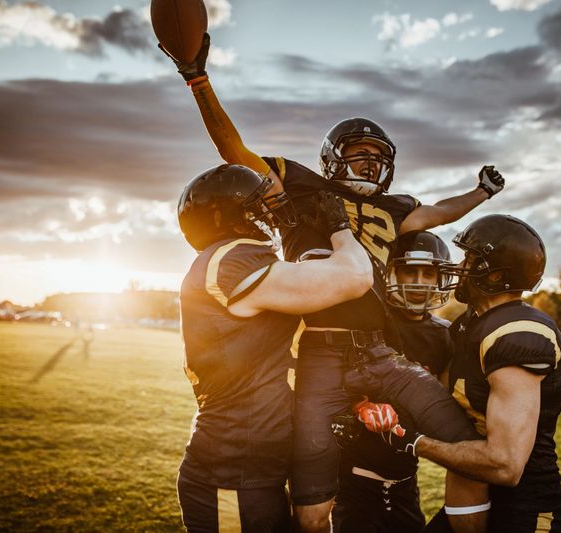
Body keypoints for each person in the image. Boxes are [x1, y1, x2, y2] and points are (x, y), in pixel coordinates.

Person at [164, 34, 503, 531]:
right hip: (319, 352)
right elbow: (235, 151)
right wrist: (199, 81)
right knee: (312, 508)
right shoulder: (302, 190)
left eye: (377, 157)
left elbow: (436, 212)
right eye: (358, 153)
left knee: (471, 450)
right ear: (331, 156)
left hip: (380, 350)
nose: (369, 164)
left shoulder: (394, 209)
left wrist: (479, 193)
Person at [175, 164, 376, 532]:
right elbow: (357, 277)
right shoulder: (230, 259)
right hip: (232, 472)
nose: (272, 212)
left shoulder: (230, 260)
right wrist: (340, 230)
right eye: (260, 205)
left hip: (251, 466)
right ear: (233, 217)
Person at [382, 215, 561, 533]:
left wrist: (413, 442)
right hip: (474, 493)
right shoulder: (468, 325)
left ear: (494, 274)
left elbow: (505, 464)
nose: (459, 266)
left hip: (523, 506)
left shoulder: (518, 332)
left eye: (469, 258)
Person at [331, 231, 463, 532]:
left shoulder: (446, 335)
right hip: (355, 477)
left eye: (428, 273)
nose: (418, 281)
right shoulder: (369, 321)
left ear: (440, 278)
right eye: (409, 271)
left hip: (405, 478)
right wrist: (359, 404)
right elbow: (333, 381)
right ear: (391, 272)